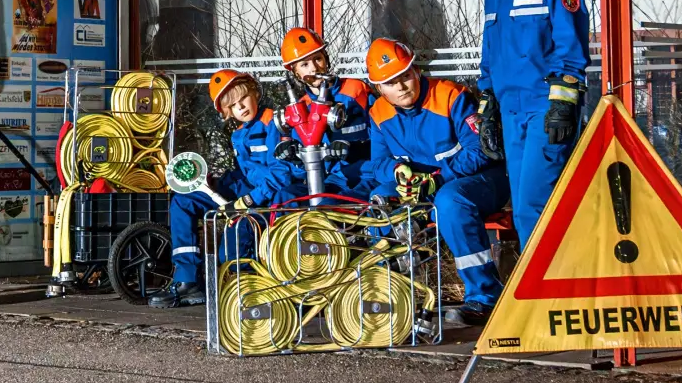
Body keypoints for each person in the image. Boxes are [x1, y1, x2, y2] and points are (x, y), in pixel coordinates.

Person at [470, 0, 591, 247]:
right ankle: (542, 291)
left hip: (545, 107)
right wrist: (487, 102)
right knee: (522, 206)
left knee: (534, 206)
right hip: (510, 109)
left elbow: (571, 43)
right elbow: (491, 47)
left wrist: (563, 103)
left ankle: (543, 296)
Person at [363, 38, 508, 326]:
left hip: (476, 180)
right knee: (380, 201)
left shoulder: (451, 96)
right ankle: (388, 297)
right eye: (391, 82)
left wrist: (437, 178)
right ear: (379, 88)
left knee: (449, 203)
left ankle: (484, 297)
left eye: (405, 75)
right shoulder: (378, 113)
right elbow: (377, 163)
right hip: (422, 186)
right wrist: (396, 172)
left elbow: (481, 151)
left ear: (416, 70)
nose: (402, 86)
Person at [150, 70, 306, 309]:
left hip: (268, 197)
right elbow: (244, 173)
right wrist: (218, 183)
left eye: (243, 98)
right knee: (183, 202)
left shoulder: (274, 124)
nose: (240, 107)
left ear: (254, 92)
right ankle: (188, 280)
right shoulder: (238, 134)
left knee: (232, 243)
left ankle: (247, 293)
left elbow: (282, 174)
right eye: (232, 105)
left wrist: (251, 200)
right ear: (226, 112)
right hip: (244, 190)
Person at [278, 27, 372, 194]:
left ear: (326, 59)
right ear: (295, 72)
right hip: (326, 178)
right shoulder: (301, 108)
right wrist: (293, 155)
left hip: (361, 173)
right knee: (285, 197)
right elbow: (303, 159)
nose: (314, 68)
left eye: (318, 59)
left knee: (330, 204)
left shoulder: (355, 89)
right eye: (304, 64)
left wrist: (354, 148)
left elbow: (381, 134)